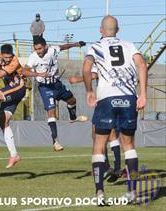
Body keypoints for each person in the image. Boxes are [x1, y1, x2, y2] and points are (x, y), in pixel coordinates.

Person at [82, 15, 147, 205]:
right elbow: (141, 64)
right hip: (128, 98)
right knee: (129, 145)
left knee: (99, 144)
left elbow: (86, 69)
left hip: (107, 98)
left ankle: (100, 193)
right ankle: (132, 193)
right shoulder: (128, 45)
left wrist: (89, 91)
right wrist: (142, 94)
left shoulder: (95, 46)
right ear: (117, 30)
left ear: (101, 30)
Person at [0, 44, 48, 168]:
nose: (8, 60)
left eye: (10, 57)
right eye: (6, 58)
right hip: (12, 89)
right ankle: (14, 155)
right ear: (1, 54)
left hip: (19, 87)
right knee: (3, 122)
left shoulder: (14, 61)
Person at [23, 37, 88, 152]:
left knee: (72, 100)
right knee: (51, 112)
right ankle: (55, 142)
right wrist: (38, 73)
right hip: (45, 87)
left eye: (40, 48)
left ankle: (72, 117)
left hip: (57, 84)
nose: (38, 51)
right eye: (36, 49)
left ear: (45, 46)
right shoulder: (33, 57)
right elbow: (25, 71)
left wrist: (76, 44)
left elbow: (63, 47)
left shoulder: (53, 50)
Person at [69, 67, 122, 183]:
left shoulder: (102, 59)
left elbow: (93, 75)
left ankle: (114, 168)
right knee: (97, 132)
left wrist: (76, 79)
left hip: (107, 100)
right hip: (121, 99)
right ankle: (112, 167)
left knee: (104, 134)